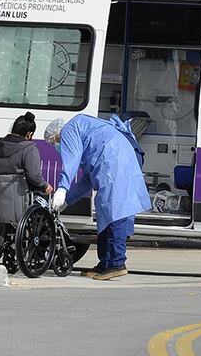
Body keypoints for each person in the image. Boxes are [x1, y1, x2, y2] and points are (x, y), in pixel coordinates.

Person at [46, 115, 151, 281]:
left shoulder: (69, 129)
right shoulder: (84, 131)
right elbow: (86, 181)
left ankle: (117, 263)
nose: (57, 146)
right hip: (115, 159)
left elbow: (71, 159)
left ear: (57, 134)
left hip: (113, 162)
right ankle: (105, 264)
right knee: (105, 214)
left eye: (54, 142)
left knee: (116, 212)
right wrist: (67, 200)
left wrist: (62, 188)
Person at [0, 112, 53, 194]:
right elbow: (34, 177)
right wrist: (45, 185)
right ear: (29, 134)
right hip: (18, 199)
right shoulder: (29, 149)